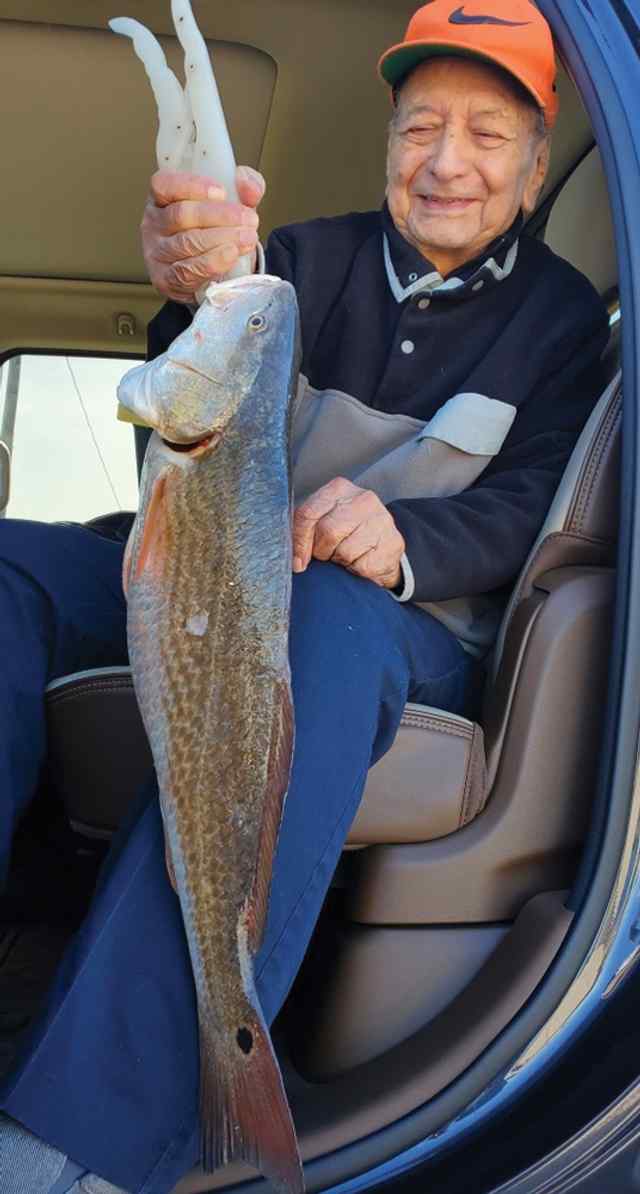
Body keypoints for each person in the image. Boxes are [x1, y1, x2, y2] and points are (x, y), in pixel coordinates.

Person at [0, 3, 609, 1192]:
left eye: (487, 134)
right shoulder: (298, 261)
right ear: (387, 139)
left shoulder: (563, 324)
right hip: (217, 565)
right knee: (13, 566)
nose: (447, 160)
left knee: (321, 625)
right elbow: (196, 375)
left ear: (535, 168)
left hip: (396, 624)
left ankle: (91, 1141)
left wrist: (402, 536)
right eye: (421, 123)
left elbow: (535, 503)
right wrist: (190, 281)